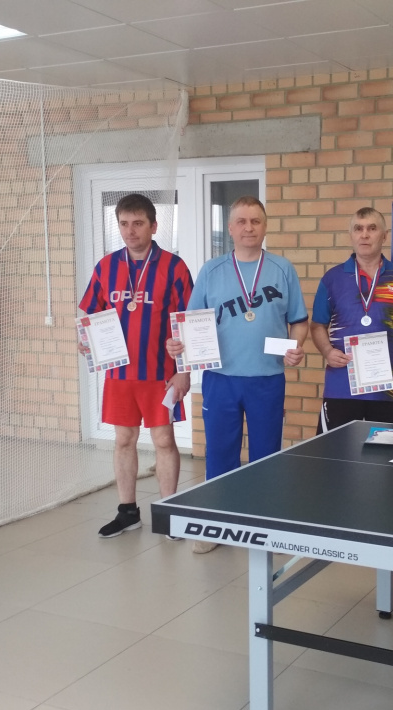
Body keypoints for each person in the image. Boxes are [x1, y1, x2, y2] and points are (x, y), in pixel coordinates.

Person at [167, 196, 307, 553]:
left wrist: (295, 346)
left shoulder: (282, 269)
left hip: (267, 379)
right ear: (230, 228)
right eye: (241, 221)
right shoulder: (211, 271)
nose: (249, 228)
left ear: (265, 226)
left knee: (266, 456)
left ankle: (263, 526)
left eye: (255, 221)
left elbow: (299, 320)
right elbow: (190, 324)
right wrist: (178, 345)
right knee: (220, 454)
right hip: (221, 379)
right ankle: (217, 526)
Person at [79, 194, 193, 538]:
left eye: (138, 223)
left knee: (163, 440)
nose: (130, 231)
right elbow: (90, 313)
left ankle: (169, 512)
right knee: (124, 439)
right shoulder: (106, 267)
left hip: (160, 374)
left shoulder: (174, 267)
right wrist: (85, 339)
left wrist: (184, 371)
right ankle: (127, 512)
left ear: (153, 226)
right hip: (119, 374)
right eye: (124, 224)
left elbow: (188, 321)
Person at [311, 207, 393, 431]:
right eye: (358, 229)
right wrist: (327, 351)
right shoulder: (332, 278)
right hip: (341, 388)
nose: (364, 235)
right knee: (336, 452)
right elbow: (317, 326)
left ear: (384, 235)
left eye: (372, 228)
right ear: (351, 235)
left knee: (386, 452)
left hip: (388, 389)